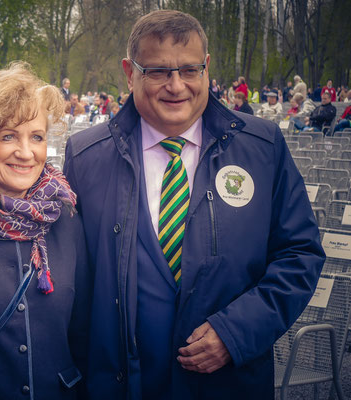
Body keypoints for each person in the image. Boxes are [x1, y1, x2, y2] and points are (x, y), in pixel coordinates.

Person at [63, 10, 325, 400]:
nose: (176, 86)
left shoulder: (261, 146)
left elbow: (300, 255)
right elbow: (71, 277)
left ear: (206, 68)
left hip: (226, 384)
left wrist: (236, 332)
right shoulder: (86, 156)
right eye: (157, 72)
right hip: (121, 384)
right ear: (129, 72)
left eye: (189, 70)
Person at [0, 62, 90, 399]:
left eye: (36, 137)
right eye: (8, 136)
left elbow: (84, 331)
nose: (26, 152)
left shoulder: (67, 220)